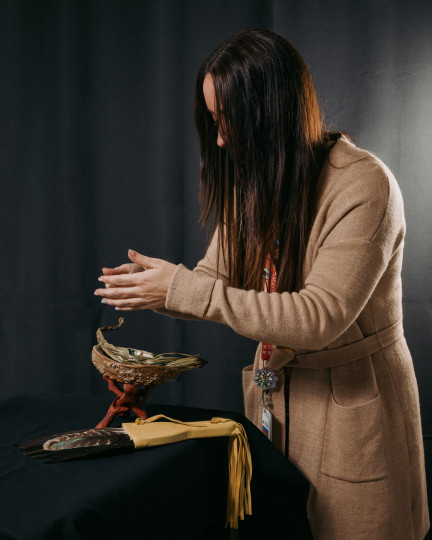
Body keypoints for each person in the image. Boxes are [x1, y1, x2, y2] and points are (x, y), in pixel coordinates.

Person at [94, 27, 429, 539]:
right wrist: (157, 286)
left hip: (355, 415)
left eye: (231, 120)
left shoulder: (364, 184)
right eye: (214, 120)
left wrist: (183, 288)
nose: (221, 138)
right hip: (276, 406)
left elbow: (320, 317)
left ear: (273, 114)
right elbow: (211, 283)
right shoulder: (258, 180)